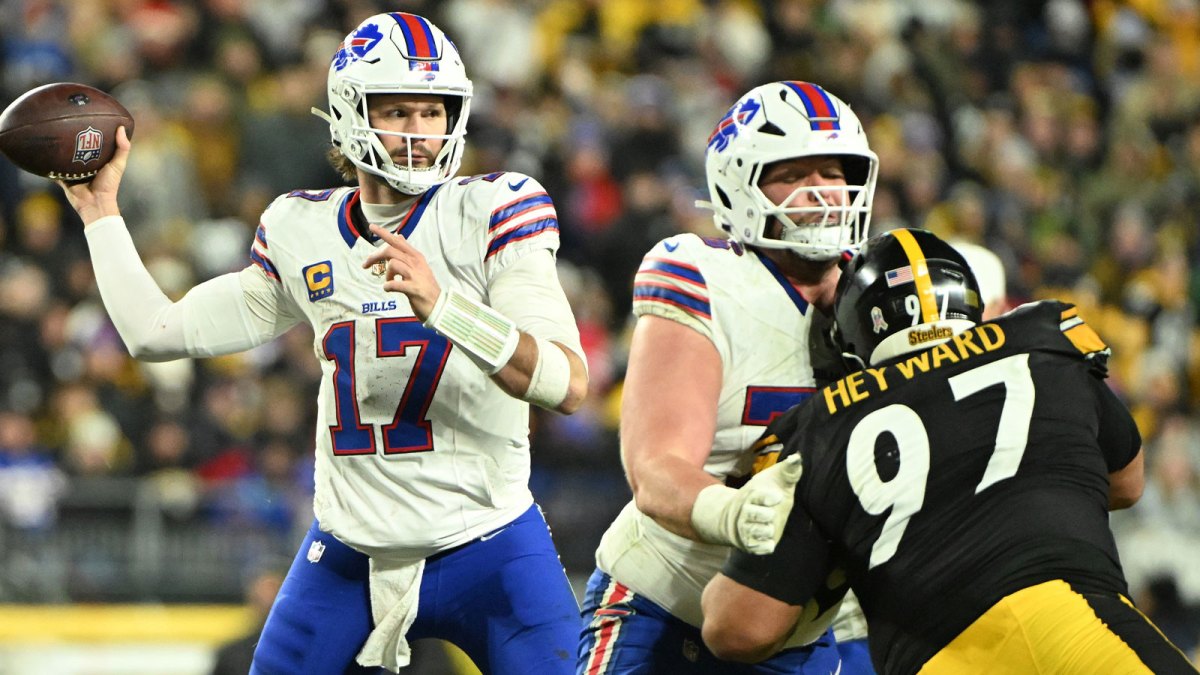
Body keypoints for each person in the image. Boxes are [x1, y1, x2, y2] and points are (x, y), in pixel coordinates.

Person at [60, 12, 589, 675]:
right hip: (347, 551)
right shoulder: (302, 227)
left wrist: (446, 307)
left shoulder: (494, 210)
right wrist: (99, 214)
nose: (420, 132)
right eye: (398, 109)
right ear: (348, 112)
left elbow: (567, 383)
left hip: (490, 543)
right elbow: (154, 332)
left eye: (434, 111)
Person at [701, 229, 1199, 674]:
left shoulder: (816, 429)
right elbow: (1127, 481)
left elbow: (740, 628)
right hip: (1067, 628)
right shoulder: (1043, 343)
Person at [578, 81, 879, 674]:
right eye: (793, 174)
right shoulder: (704, 276)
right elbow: (657, 471)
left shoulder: (886, 297)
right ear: (739, 187)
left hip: (798, 634)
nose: (821, 193)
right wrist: (734, 514)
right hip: (665, 611)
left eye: (832, 171)